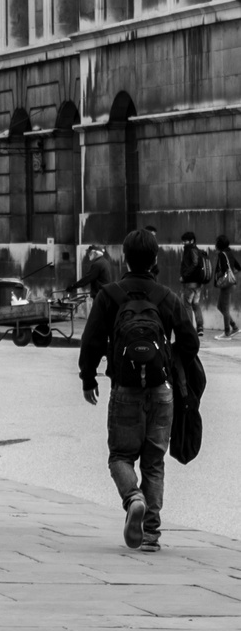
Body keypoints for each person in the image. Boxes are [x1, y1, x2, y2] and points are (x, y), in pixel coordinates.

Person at [79, 228, 199, 550]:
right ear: (156, 259)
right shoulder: (167, 297)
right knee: (154, 462)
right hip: (161, 390)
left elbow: (90, 340)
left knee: (120, 455)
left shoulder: (110, 295)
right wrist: (170, 359)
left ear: (124, 258)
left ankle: (133, 497)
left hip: (125, 388)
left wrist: (88, 377)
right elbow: (190, 340)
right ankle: (150, 535)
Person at [179, 231, 206, 338]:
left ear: (191, 241)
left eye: (185, 241)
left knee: (187, 305)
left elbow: (194, 264)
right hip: (198, 284)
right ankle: (200, 327)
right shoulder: (197, 250)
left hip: (190, 282)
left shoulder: (191, 250)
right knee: (196, 304)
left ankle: (189, 327)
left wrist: (185, 275)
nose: (184, 243)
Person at [212, 234, 240, 337]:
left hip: (226, 285)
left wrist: (222, 277)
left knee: (225, 308)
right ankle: (234, 326)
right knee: (220, 306)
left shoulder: (222, 254)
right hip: (229, 284)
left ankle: (227, 332)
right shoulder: (229, 253)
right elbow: (238, 267)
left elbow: (224, 269)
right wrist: (232, 275)